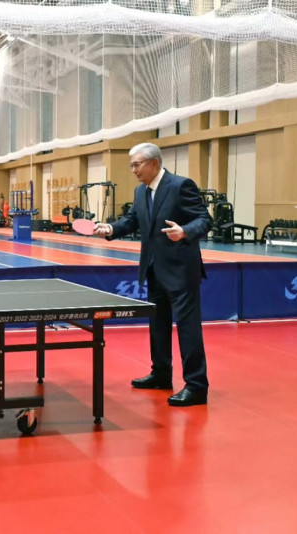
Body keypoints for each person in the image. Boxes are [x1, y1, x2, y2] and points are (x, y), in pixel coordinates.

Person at [94, 142, 212, 407]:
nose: (133, 170)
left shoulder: (181, 186)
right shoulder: (141, 191)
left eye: (137, 164)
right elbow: (132, 220)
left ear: (154, 163)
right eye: (131, 165)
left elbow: (205, 219)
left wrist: (184, 231)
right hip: (153, 269)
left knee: (188, 329)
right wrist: (110, 229)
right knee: (158, 326)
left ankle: (196, 386)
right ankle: (161, 374)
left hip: (181, 270)